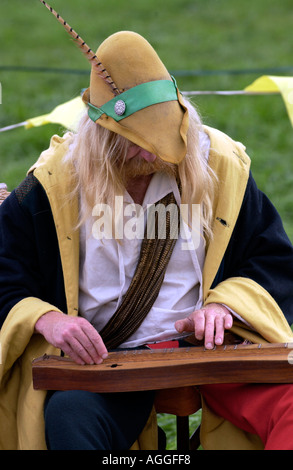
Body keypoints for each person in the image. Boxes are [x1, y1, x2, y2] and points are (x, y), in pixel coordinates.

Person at [1, 23, 293, 450]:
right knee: (70, 419)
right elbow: (5, 269)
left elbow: (272, 260)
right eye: (136, 141)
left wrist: (227, 306)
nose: (153, 153)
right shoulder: (50, 184)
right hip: (107, 363)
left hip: (214, 354)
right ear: (101, 131)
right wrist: (51, 321)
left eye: (162, 134)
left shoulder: (221, 166)